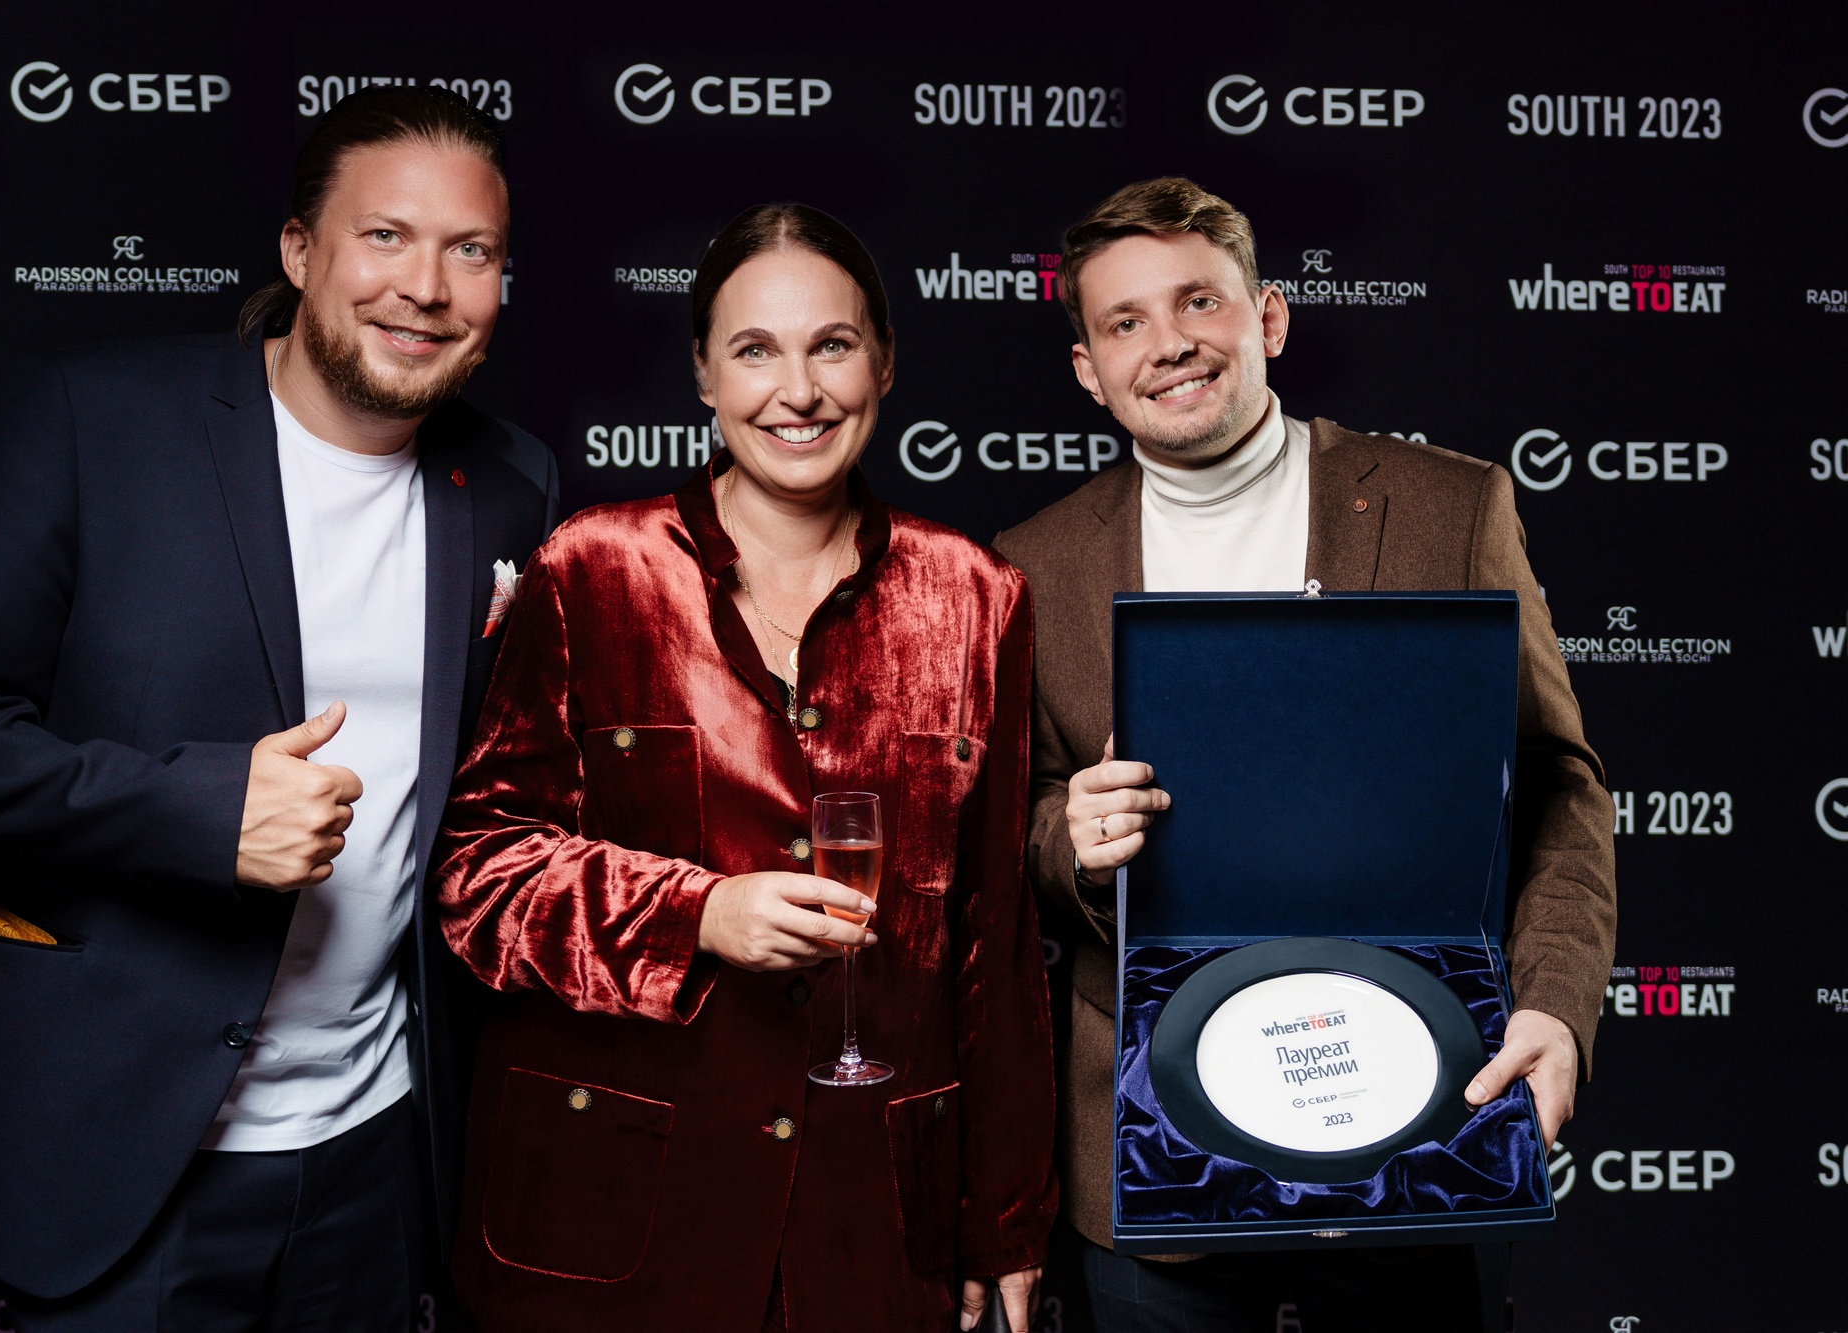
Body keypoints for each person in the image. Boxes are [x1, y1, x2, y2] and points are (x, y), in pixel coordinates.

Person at [0, 86, 556, 1329]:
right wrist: (196, 810)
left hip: (378, 1154)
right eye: (384, 236)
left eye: (471, 250)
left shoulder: (510, 481)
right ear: (300, 250)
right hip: (105, 1155)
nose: (425, 287)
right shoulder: (92, 420)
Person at [993, 177, 1616, 1332]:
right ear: (1088, 368)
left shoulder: (1451, 506)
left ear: (1268, 317)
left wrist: (1555, 1005)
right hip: (1153, 1151)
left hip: (1422, 1118)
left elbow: (1557, 789)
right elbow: (1016, 820)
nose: (1169, 343)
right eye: (1125, 321)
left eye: (1199, 301)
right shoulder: (1029, 566)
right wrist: (1065, 837)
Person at [433, 202, 1056, 1332]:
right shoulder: (591, 569)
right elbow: (480, 877)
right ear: (704, 376)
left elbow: (994, 939)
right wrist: (698, 914)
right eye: (756, 350)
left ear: (884, 362)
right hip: (618, 1210)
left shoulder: (977, 595)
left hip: (870, 1217)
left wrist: (1004, 1217)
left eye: (832, 345)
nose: (798, 391)